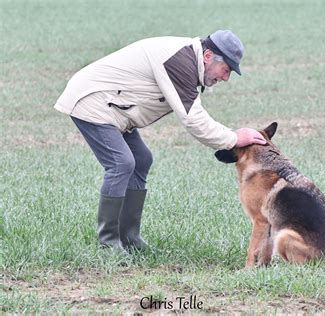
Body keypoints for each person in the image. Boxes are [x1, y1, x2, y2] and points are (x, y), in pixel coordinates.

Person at [54, 30, 266, 251]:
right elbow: (193, 120)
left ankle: (130, 239)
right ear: (208, 56)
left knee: (141, 160)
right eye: (226, 69)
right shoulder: (179, 61)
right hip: (92, 100)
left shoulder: (187, 60)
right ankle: (108, 244)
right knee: (121, 163)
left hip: (115, 108)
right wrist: (234, 138)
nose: (225, 78)